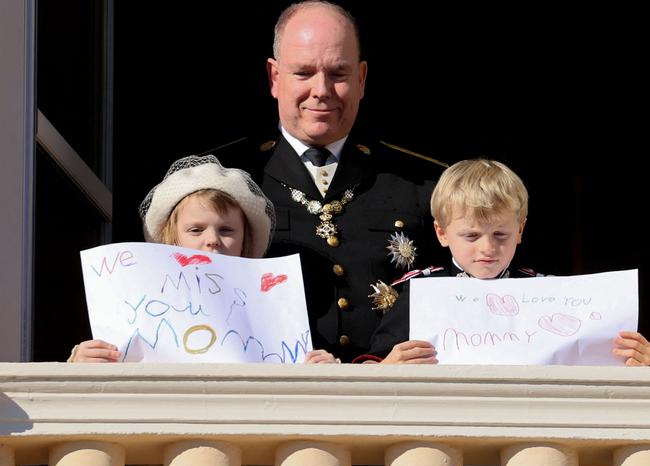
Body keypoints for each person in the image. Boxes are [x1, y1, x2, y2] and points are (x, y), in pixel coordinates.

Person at [212, 1, 444, 363]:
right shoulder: (224, 179)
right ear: (274, 78)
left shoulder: (426, 183)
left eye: (338, 73)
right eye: (304, 73)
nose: (321, 90)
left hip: (396, 401)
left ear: (362, 79)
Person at [358, 158, 650, 366]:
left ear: (520, 230)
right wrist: (388, 367)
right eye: (471, 235)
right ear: (442, 233)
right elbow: (374, 363)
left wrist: (639, 361)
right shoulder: (418, 292)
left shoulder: (550, 294)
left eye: (500, 234)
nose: (488, 248)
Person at [69, 154, 337, 364]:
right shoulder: (131, 301)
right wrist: (81, 362)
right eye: (196, 230)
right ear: (172, 239)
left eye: (227, 230)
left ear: (246, 241)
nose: (212, 240)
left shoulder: (278, 311)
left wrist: (321, 371)